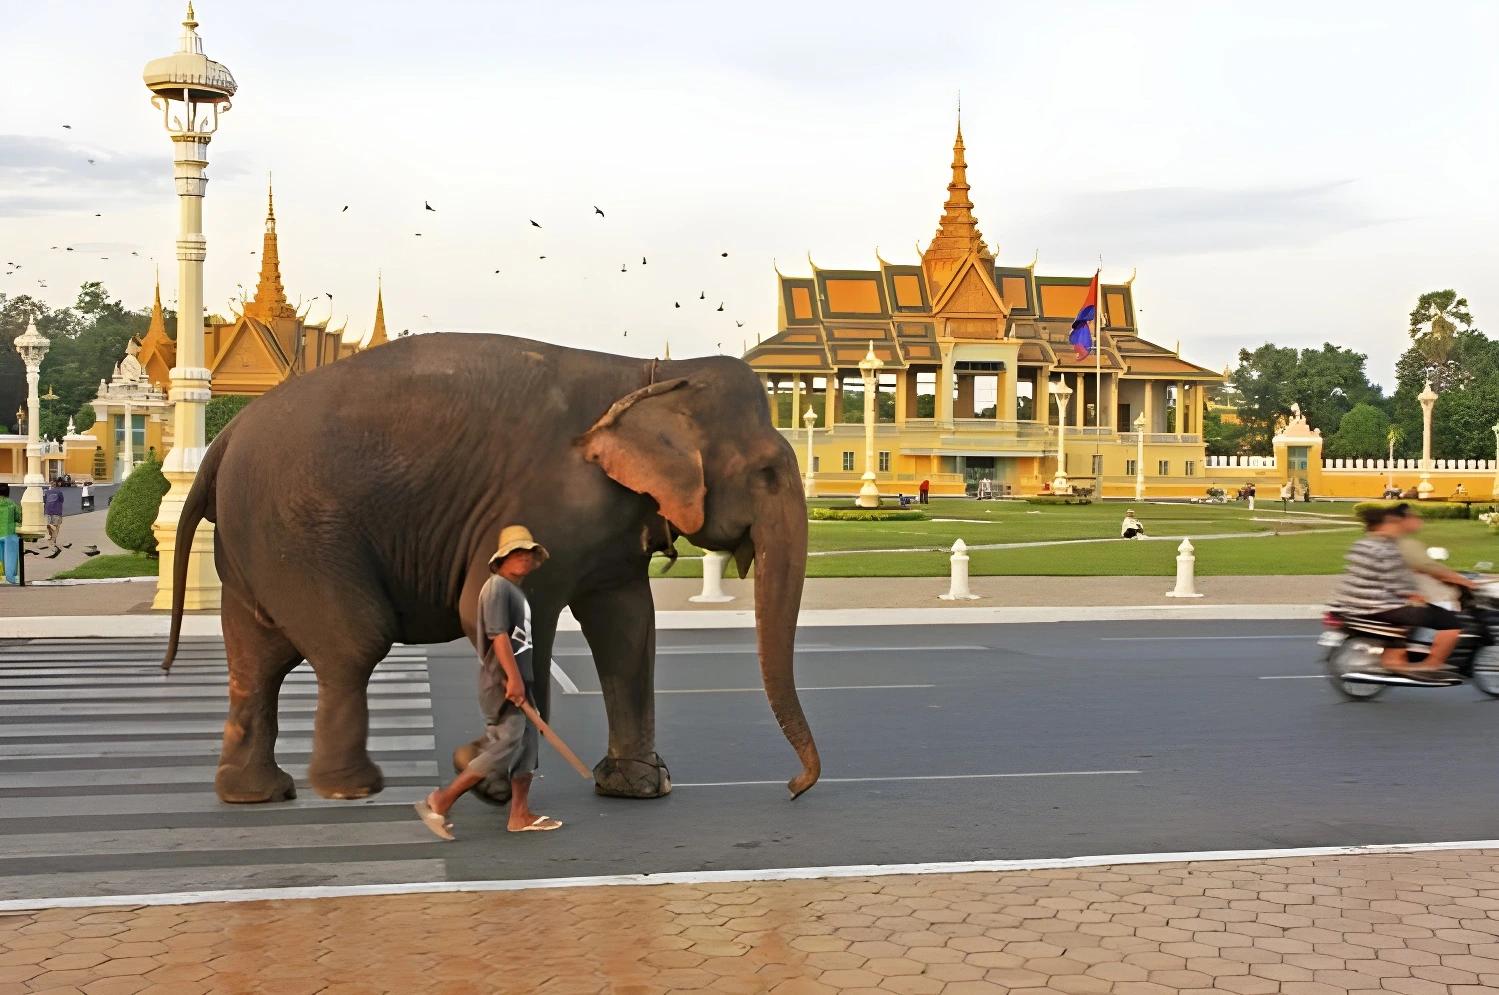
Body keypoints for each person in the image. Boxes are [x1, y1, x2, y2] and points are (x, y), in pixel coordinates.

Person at [415, 525, 561, 839]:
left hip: (518, 680)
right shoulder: (497, 588)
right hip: (502, 682)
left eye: (527, 553)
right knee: (506, 745)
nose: (523, 558)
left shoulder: (514, 591)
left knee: (526, 748)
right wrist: (513, 680)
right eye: (516, 553)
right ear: (501, 559)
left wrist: (524, 682)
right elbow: (498, 636)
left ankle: (519, 815)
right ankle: (441, 800)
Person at [1329, 505, 1462, 679]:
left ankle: (1397, 659)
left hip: (1353, 605)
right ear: (1383, 525)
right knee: (1449, 621)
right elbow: (1397, 583)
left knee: (1412, 617)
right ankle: (1431, 664)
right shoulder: (1387, 548)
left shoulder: (1361, 544)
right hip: (1380, 608)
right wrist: (1416, 596)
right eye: (1393, 524)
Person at [1390, 503, 1477, 608]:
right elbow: (1431, 568)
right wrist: (1465, 581)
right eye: (1414, 517)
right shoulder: (1405, 544)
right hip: (1421, 602)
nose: (1419, 520)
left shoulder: (1386, 542)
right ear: (1403, 519)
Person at [0, 484, 19, 585]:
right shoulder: (12, 503)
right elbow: (18, 517)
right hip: (9, 533)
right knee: (10, 557)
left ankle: (1, 577)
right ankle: (11, 578)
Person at [42, 482, 67, 557]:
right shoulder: (59, 492)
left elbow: (45, 501)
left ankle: (50, 541)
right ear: (57, 486)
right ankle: (53, 541)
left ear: (50, 486)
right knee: (56, 528)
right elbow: (62, 501)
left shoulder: (47, 492)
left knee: (49, 527)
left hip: (48, 512)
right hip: (57, 512)